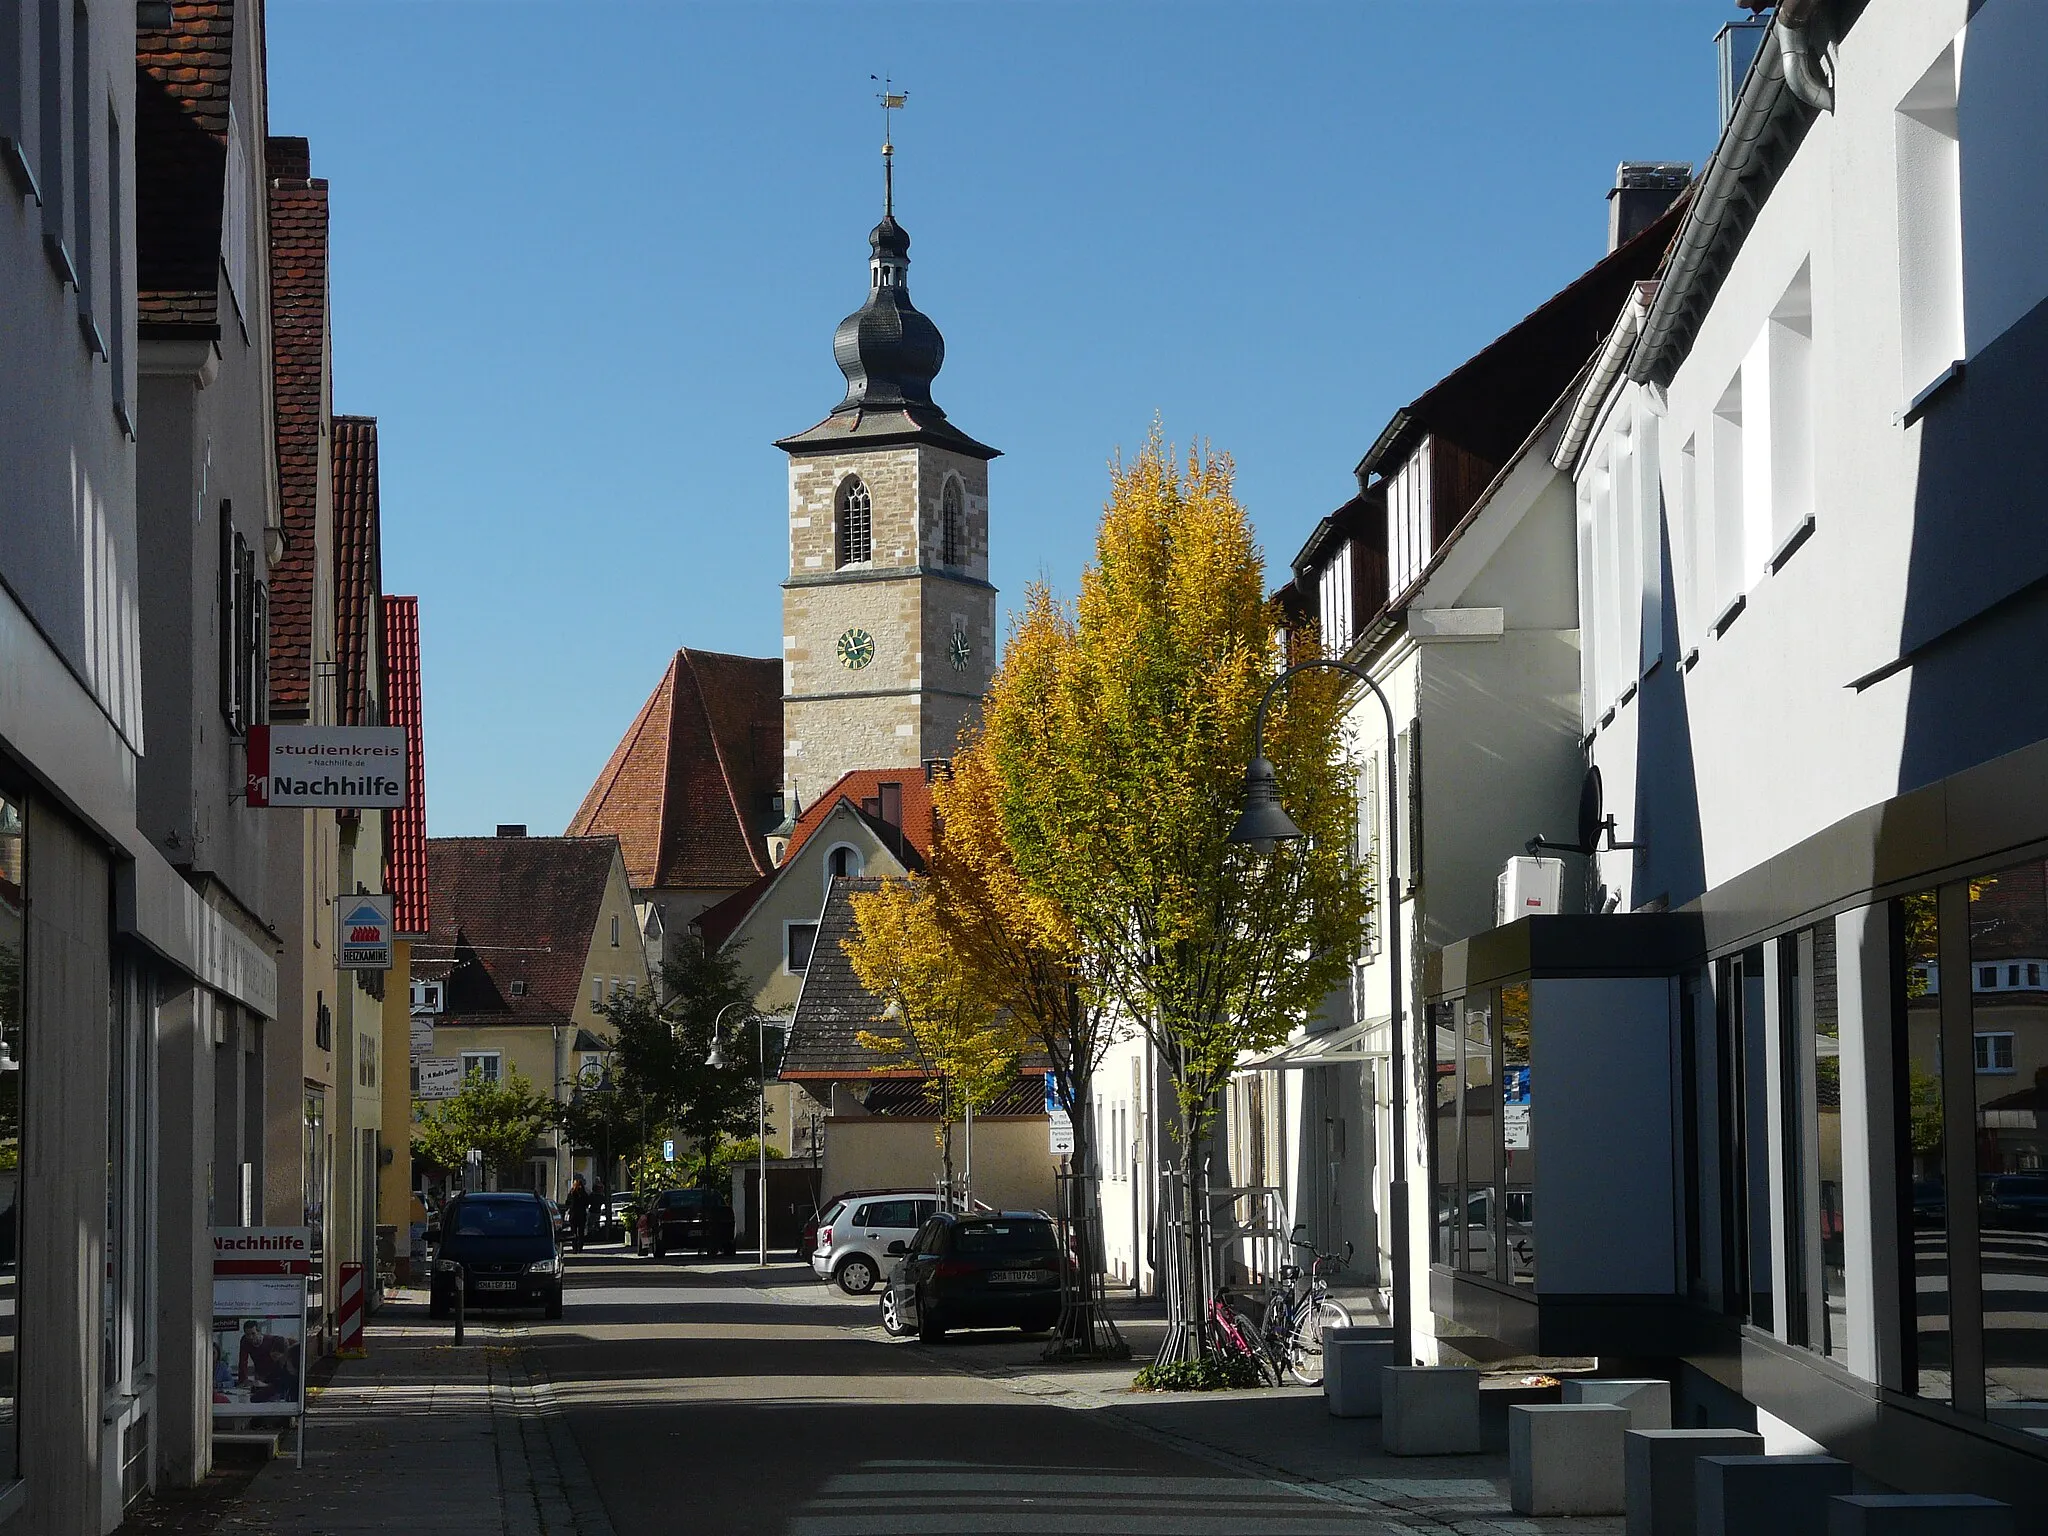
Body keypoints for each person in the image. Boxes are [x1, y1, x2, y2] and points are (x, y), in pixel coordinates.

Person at [565, 1174, 590, 1253]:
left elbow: (567, 1203)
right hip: (581, 1214)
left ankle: (574, 1248)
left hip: (573, 1214)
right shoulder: (584, 1193)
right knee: (581, 1232)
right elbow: (587, 1203)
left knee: (573, 1232)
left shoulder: (572, 1193)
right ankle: (580, 1247)